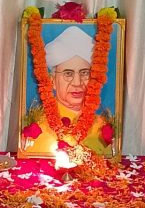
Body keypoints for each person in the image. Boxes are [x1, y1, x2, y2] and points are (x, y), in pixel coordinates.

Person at [28, 26, 110, 154]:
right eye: (68, 74)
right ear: (52, 81)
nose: (77, 83)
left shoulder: (102, 127)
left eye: (84, 73)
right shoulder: (38, 128)